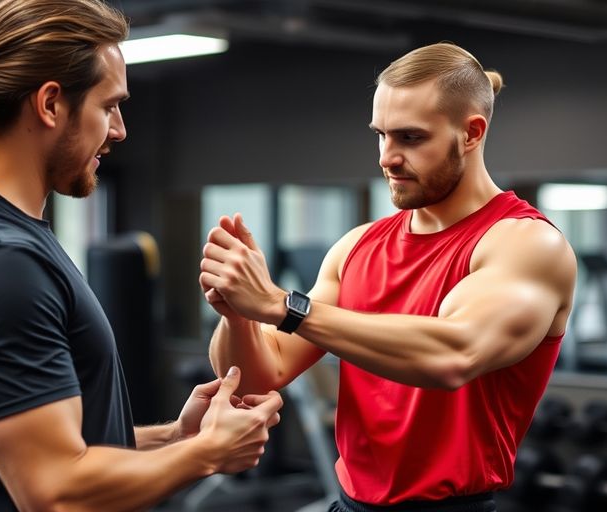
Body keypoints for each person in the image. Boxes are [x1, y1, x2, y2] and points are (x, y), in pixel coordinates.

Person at [0, 1, 283, 510]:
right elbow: (54, 492)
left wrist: (177, 437)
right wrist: (208, 453)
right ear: (50, 104)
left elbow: (45, 450)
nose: (119, 130)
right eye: (109, 105)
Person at [201, 42, 576, 511]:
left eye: (410, 138)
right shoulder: (357, 246)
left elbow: (453, 354)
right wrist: (237, 312)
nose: (387, 157)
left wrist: (280, 307)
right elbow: (260, 374)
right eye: (381, 135)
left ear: (471, 134)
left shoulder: (525, 245)